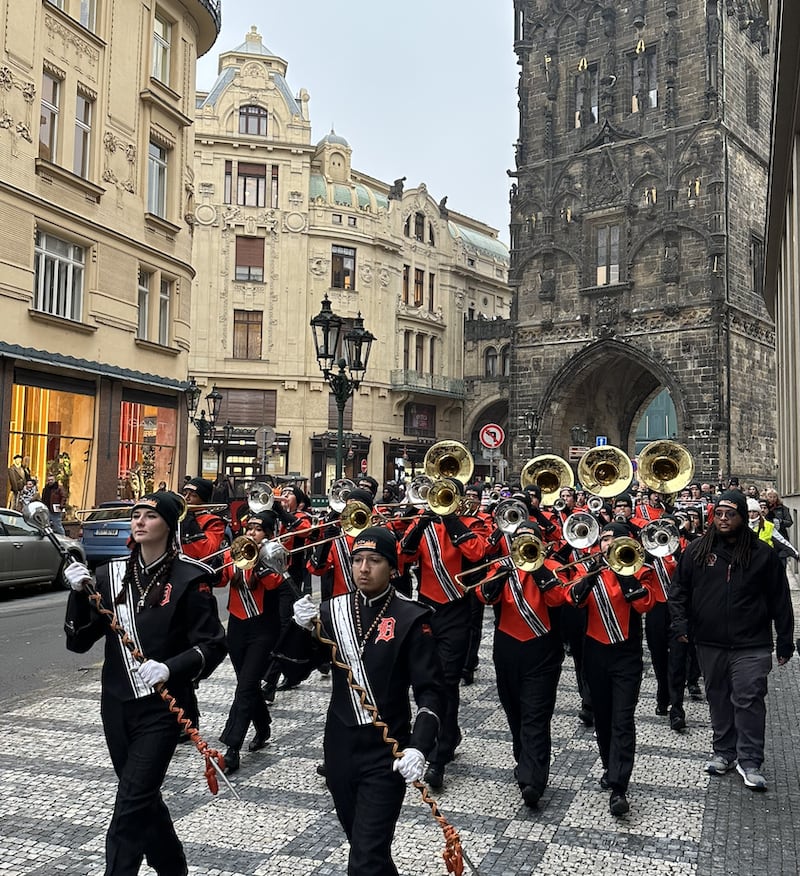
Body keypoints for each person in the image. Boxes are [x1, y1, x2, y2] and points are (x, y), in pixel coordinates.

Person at [62, 491, 227, 875]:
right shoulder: (108, 575)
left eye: (150, 516)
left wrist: (170, 667)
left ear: (169, 525)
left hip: (162, 708)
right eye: (136, 514)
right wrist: (76, 596)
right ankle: (173, 868)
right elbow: (78, 641)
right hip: (117, 705)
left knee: (130, 803)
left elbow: (213, 645)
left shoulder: (191, 578)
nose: (139, 521)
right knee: (143, 797)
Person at [278, 526, 444, 876]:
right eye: (357, 560)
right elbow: (293, 669)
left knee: (365, 858)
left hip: (386, 751)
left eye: (375, 560)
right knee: (365, 846)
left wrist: (420, 747)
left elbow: (431, 691)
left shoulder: (412, 617)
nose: (364, 568)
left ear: (394, 569)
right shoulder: (331, 611)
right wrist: (298, 627)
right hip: (339, 746)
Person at [669, 490, 794, 791]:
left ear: (742, 516)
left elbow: (780, 599)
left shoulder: (762, 555)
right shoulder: (697, 551)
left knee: (749, 699)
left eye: (731, 514)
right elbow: (679, 591)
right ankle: (724, 751)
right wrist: (681, 624)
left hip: (752, 643)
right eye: (719, 514)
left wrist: (786, 640)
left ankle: (750, 760)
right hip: (710, 641)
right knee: (718, 696)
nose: (724, 519)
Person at [400, 485, 489, 788]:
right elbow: (402, 557)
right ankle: (445, 734)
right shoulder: (422, 523)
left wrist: (450, 518)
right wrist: (423, 520)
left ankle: (437, 758)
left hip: (456, 610)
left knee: (447, 681)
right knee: (427, 681)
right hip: (426, 610)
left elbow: (477, 552)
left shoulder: (470, 524)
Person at [568, 521, 658, 816]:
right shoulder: (587, 568)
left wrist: (625, 573)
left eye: (615, 539)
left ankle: (620, 786)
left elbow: (645, 605)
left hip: (626, 654)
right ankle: (609, 765)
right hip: (595, 651)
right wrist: (594, 572)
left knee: (622, 719)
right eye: (605, 538)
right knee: (604, 718)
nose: (608, 544)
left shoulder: (640, 568)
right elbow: (575, 600)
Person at [475, 520, 567, 807]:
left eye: (531, 540)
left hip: (542, 650)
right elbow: (484, 596)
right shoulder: (503, 568)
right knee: (515, 712)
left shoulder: (552, 567)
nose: (525, 545)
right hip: (507, 649)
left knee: (535, 715)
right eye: (520, 540)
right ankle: (523, 760)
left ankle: (533, 781)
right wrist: (500, 573)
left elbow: (556, 599)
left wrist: (537, 567)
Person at [216, 510, 284, 773]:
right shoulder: (234, 551)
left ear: (266, 533)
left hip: (262, 628)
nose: (251, 532)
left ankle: (232, 748)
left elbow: (274, 584)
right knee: (248, 683)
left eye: (257, 528)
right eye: (248, 527)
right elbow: (220, 580)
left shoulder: (272, 552)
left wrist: (256, 562)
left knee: (245, 686)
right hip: (237, 625)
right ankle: (263, 725)